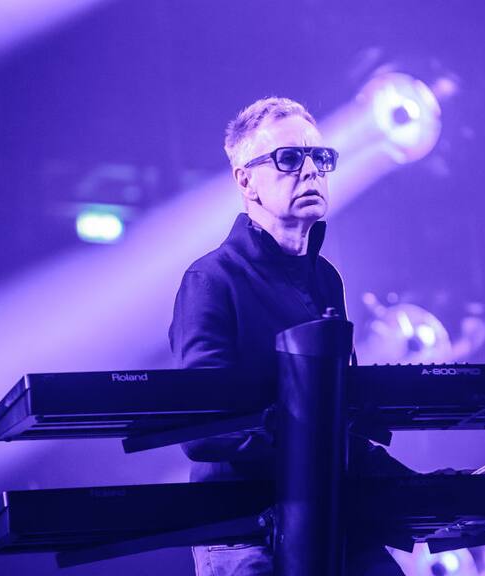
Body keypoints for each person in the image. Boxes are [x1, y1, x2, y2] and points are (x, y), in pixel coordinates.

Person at [169, 97, 407, 576]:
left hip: (326, 511)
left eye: (320, 158)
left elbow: (341, 408)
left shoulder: (326, 279)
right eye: (289, 158)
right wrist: (307, 446)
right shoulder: (211, 280)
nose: (311, 171)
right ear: (245, 180)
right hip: (241, 527)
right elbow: (203, 429)